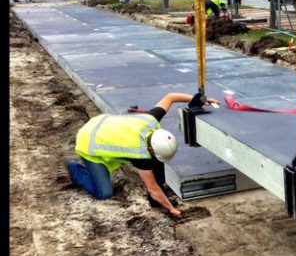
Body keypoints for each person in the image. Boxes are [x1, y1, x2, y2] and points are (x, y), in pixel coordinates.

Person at [67, 92, 220, 218]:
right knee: (104, 193)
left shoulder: (152, 120)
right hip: (89, 140)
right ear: (151, 149)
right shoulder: (139, 155)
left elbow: (171, 97)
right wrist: (171, 210)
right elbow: (152, 188)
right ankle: (75, 169)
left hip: (104, 123)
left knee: (157, 163)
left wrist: (200, 99)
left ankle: (157, 201)